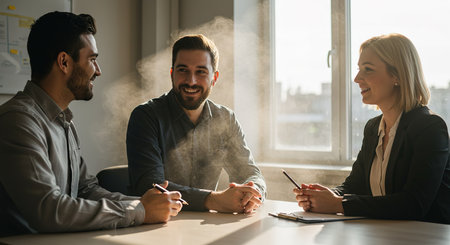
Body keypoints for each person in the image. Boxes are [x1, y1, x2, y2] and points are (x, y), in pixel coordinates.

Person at [0, 12, 183, 237]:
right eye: (92, 59)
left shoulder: (63, 120)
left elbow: (84, 190)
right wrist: (139, 211)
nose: (98, 70)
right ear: (64, 62)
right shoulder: (18, 121)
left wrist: (145, 204)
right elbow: (49, 211)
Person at [293, 33, 450, 224]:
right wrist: (325, 196)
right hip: (385, 236)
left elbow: (413, 204)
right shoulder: (373, 127)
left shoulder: (430, 128)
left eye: (368, 69)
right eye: (359, 69)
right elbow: (355, 185)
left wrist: (338, 204)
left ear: (397, 76)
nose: (357, 78)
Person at [126, 34, 266, 213]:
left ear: (214, 78)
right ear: (172, 74)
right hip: (154, 226)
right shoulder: (146, 116)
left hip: (204, 229)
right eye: (183, 70)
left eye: (201, 71)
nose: (191, 81)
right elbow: (151, 186)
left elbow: (250, 172)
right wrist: (214, 200)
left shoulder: (225, 119)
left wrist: (254, 192)